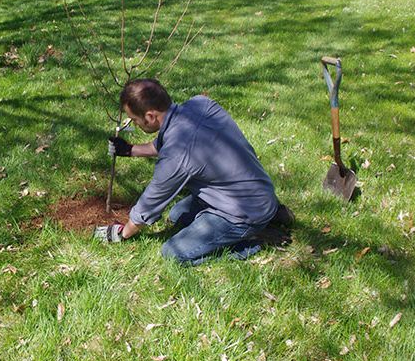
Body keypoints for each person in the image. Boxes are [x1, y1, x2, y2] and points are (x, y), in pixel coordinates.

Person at [94, 79, 293, 265]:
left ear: (150, 116)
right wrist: (130, 150)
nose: (135, 124)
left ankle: (255, 240)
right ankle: (272, 213)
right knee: (177, 214)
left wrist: (122, 233)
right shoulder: (200, 105)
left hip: (242, 212)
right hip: (255, 191)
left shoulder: (177, 154)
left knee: (173, 253)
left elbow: (151, 201)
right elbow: (166, 143)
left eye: (135, 120)